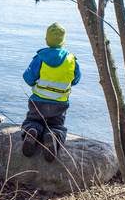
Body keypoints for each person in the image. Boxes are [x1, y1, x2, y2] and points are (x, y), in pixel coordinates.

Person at [21, 23, 81, 162]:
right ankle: (53, 136)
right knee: (56, 125)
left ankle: (32, 132)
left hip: (38, 101)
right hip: (60, 103)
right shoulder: (71, 60)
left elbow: (28, 78)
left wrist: (35, 83)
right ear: (63, 41)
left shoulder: (40, 58)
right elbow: (76, 80)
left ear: (46, 40)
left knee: (33, 121)